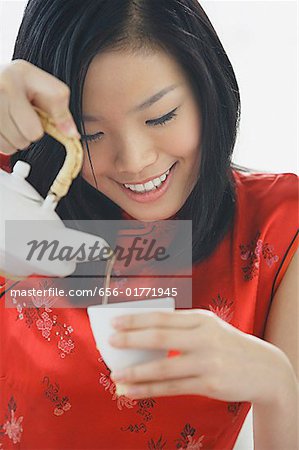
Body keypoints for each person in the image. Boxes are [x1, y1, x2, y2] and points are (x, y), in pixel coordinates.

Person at [0, 1, 298, 449]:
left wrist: (278, 385)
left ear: (208, 90)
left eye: (160, 117)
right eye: (89, 133)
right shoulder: (20, 201)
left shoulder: (275, 227)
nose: (135, 161)